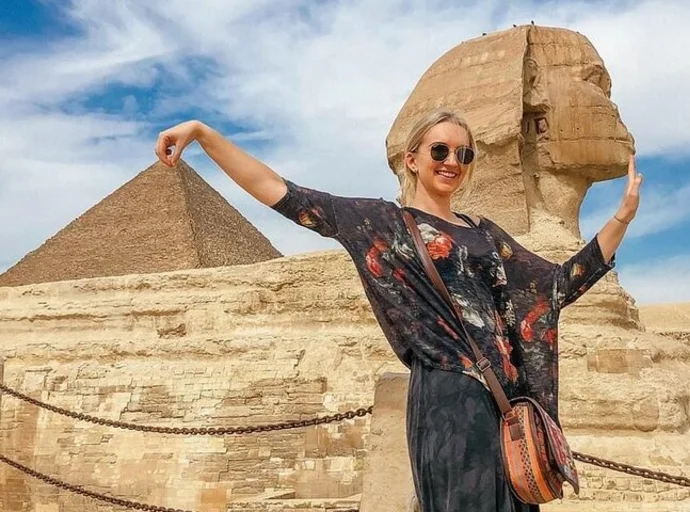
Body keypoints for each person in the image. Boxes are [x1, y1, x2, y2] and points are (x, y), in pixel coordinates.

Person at [155, 109, 642, 512]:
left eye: (464, 154)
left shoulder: (485, 232)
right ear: (412, 159)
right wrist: (202, 133)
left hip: (505, 404)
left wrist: (619, 219)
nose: (453, 161)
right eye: (440, 150)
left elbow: (552, 289)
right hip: (450, 398)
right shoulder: (381, 223)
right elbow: (280, 191)